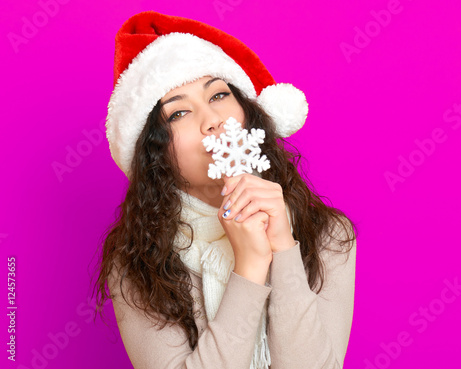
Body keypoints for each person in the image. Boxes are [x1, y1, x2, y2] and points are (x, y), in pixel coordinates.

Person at [92, 10, 357, 369]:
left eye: (218, 95)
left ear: (248, 113)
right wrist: (248, 267)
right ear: (156, 153)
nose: (212, 121)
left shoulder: (331, 236)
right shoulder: (137, 264)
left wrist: (282, 249)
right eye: (178, 114)